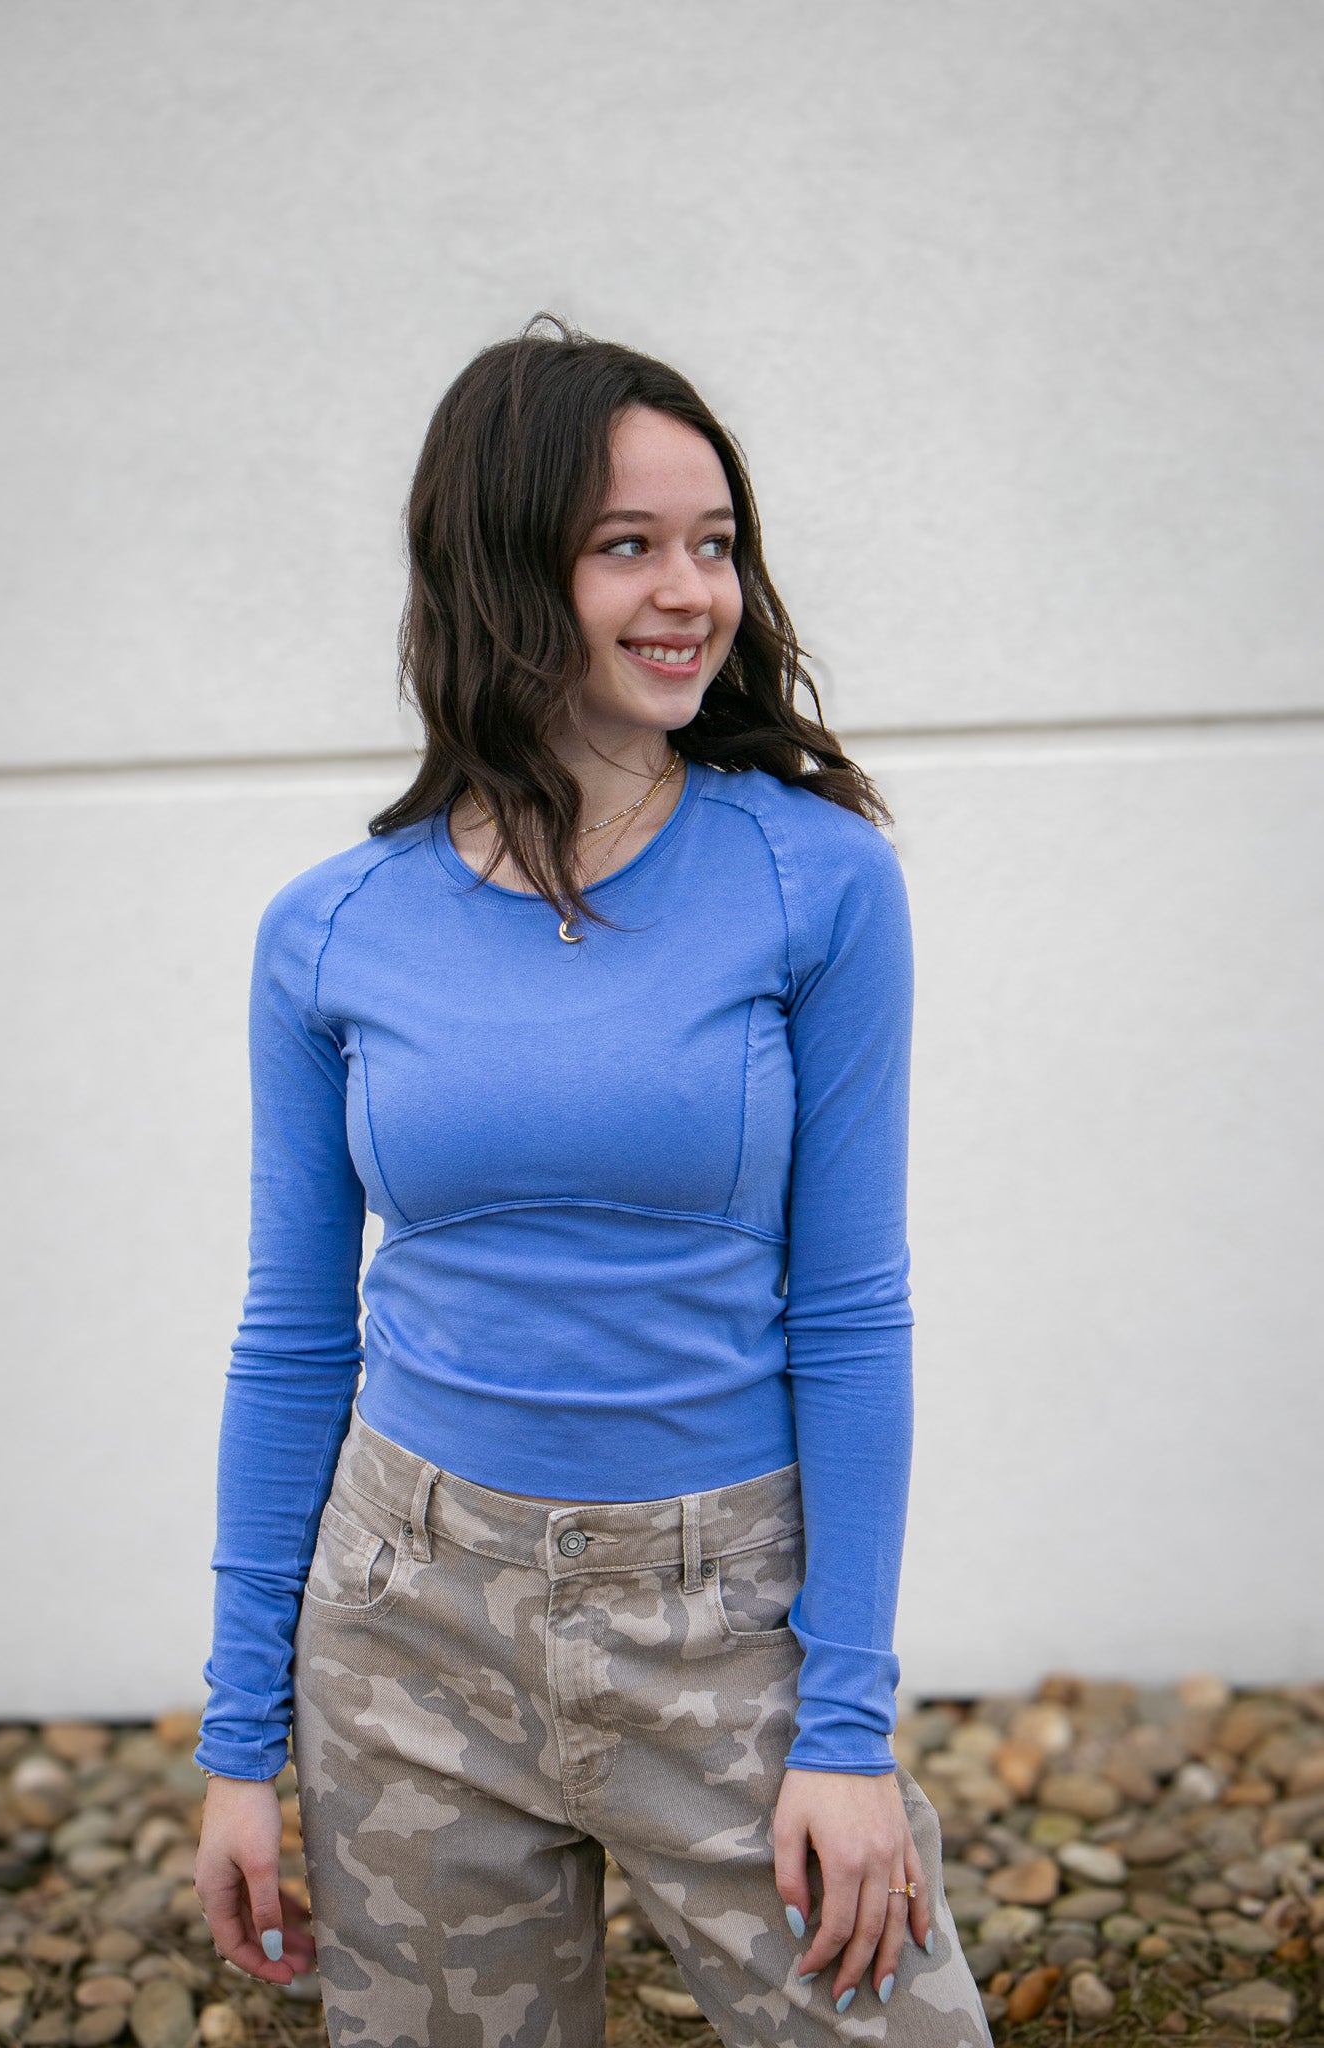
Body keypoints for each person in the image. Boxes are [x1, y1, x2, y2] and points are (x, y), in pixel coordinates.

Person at [192, 316, 992, 2048]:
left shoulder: (815, 880)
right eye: (625, 545)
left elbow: (848, 1313)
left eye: (713, 544)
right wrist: (236, 1744)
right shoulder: (329, 930)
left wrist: (844, 1730)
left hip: (724, 1625)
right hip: (404, 1626)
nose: (688, 590)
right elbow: (288, 1340)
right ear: (498, 571)